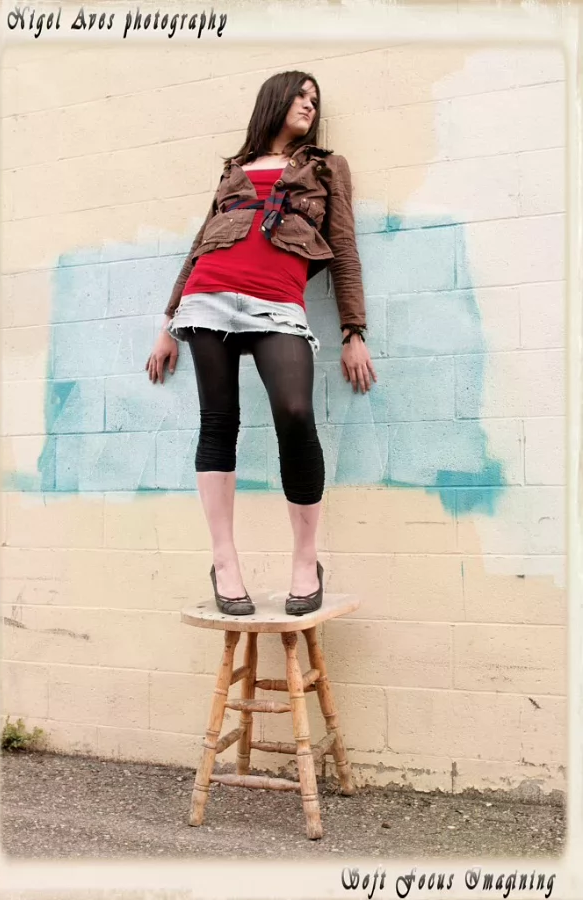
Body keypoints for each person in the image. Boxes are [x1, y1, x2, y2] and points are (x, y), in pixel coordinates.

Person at [146, 70, 376, 617]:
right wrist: (169, 323)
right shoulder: (234, 170)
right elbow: (199, 246)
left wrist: (353, 330)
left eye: (316, 99)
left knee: (295, 414)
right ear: (275, 100)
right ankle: (224, 563)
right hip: (208, 297)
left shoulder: (326, 167)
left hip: (278, 302)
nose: (310, 104)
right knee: (218, 422)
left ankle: (306, 559)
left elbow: (343, 247)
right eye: (301, 94)